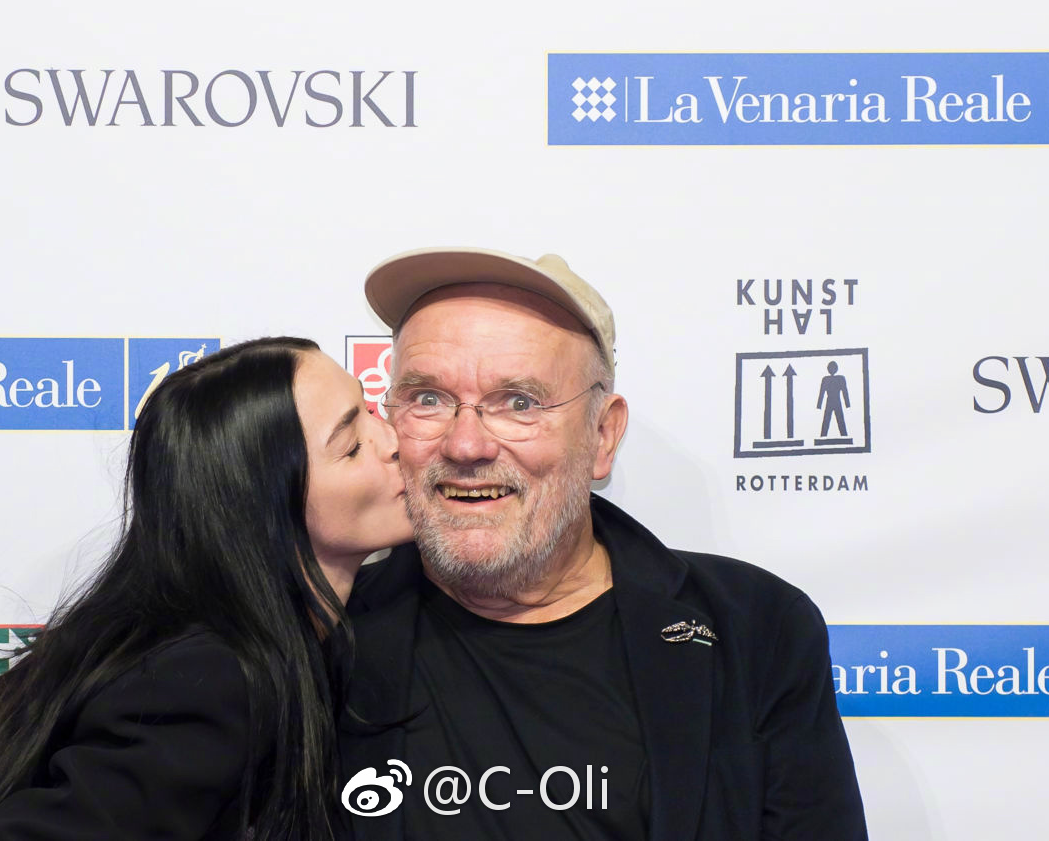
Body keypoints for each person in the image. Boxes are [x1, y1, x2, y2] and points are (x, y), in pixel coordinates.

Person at [338, 248, 867, 839]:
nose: (465, 445)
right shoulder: (325, 634)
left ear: (603, 435)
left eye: (519, 403)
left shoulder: (754, 628)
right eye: (428, 399)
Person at [0, 337, 410, 841]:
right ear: (260, 505)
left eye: (371, 411)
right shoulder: (210, 677)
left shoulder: (199, 638)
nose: (393, 442)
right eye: (351, 445)